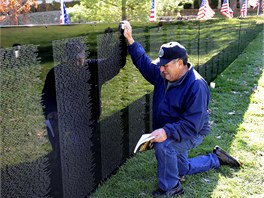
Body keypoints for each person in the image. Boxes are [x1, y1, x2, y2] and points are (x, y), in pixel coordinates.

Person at [122, 21, 240, 197]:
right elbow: (145, 64)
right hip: (175, 127)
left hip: (193, 132)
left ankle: (171, 188)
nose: (161, 69)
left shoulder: (196, 86)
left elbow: (192, 125)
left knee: (164, 146)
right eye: (161, 65)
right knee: (182, 168)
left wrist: (166, 131)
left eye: (165, 65)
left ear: (179, 63)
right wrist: (131, 41)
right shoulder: (164, 74)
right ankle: (216, 158)